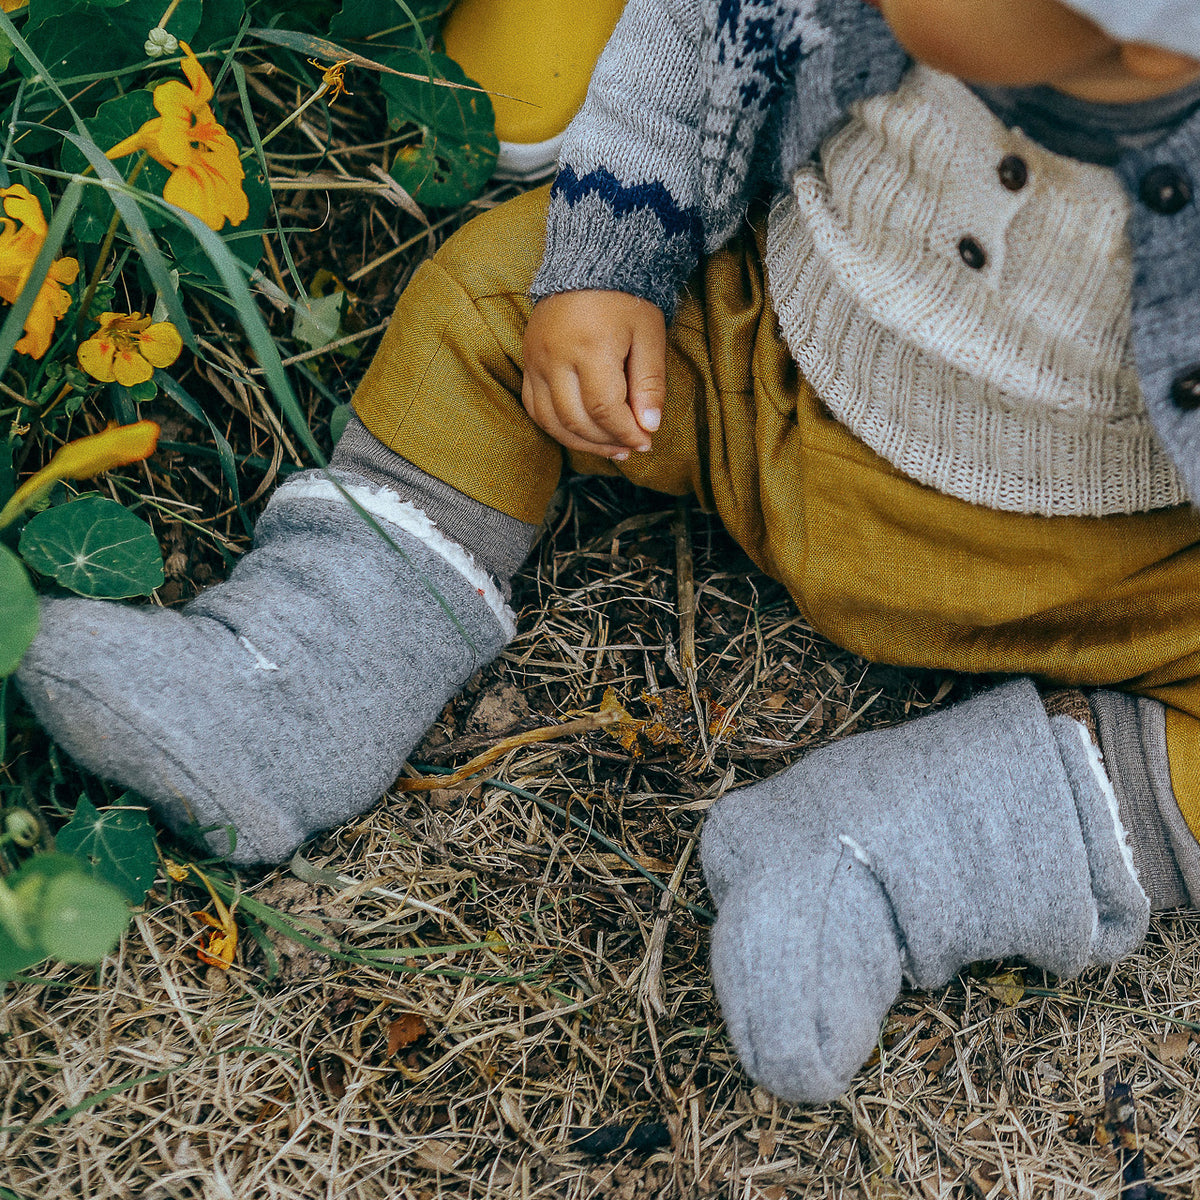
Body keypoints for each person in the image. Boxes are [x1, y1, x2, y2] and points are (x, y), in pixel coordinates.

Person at [16, 0, 1200, 1103]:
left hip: (1101, 569)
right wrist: (609, 262)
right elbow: (688, 50)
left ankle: (904, 853)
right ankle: (306, 673)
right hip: (757, 370)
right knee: (501, 291)